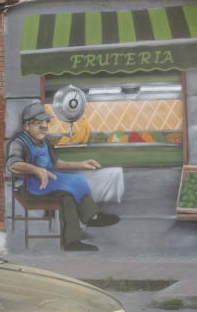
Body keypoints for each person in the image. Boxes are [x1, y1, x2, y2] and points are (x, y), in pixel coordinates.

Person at [6, 102, 120, 252]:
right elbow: (12, 164)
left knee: (77, 182)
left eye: (45, 122)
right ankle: (79, 232)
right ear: (26, 126)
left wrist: (81, 164)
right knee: (68, 194)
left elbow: (56, 163)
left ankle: (88, 221)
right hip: (33, 188)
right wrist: (35, 170)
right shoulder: (19, 143)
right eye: (38, 124)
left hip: (50, 183)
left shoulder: (45, 143)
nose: (44, 127)